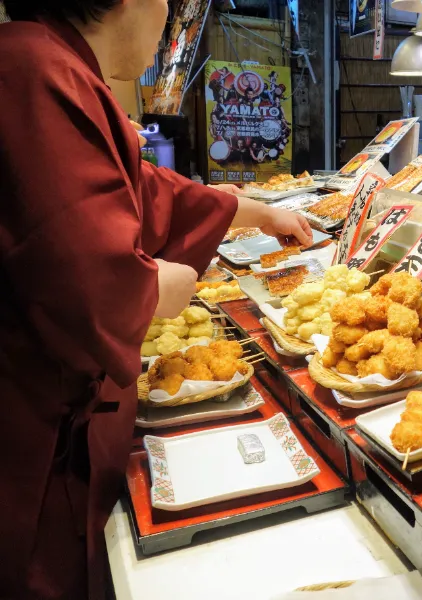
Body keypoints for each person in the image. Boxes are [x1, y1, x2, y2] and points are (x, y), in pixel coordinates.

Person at [0, 1, 315, 598]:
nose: (169, 14)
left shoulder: (49, 63)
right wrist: (159, 289)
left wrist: (259, 213)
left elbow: (145, 192)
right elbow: (86, 276)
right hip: (29, 442)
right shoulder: (34, 70)